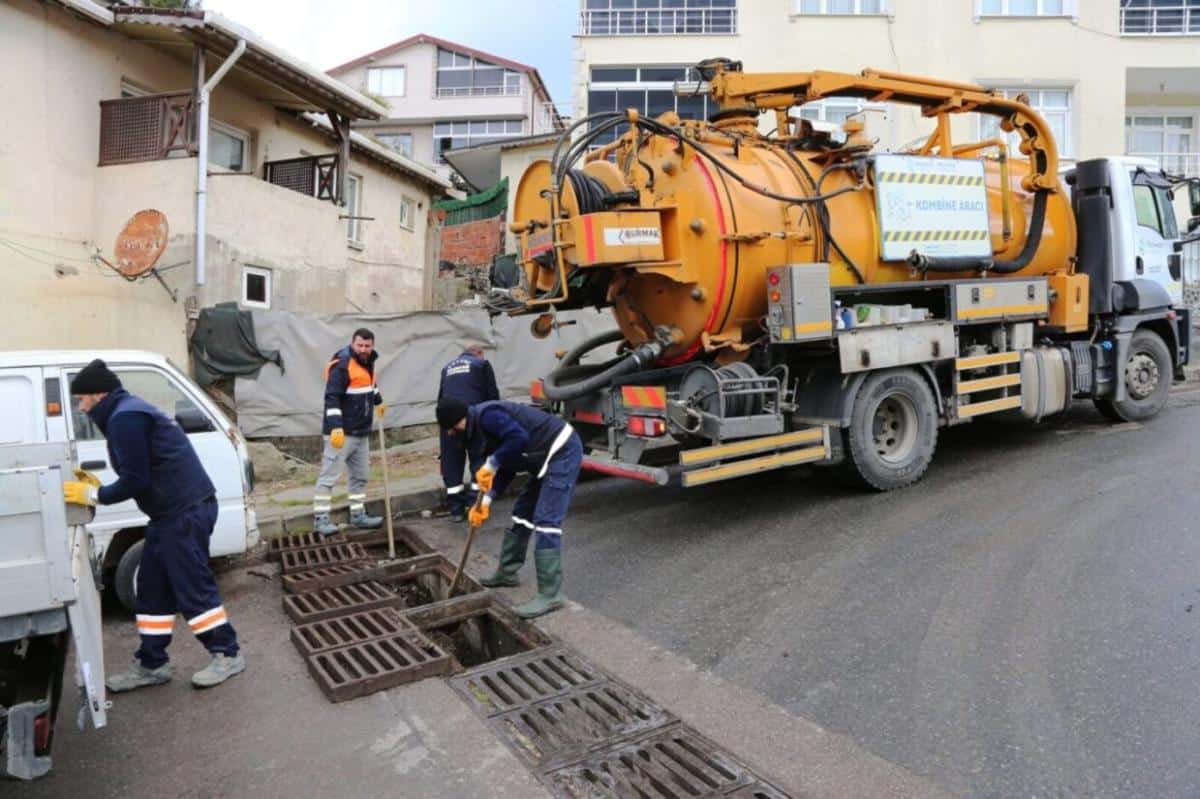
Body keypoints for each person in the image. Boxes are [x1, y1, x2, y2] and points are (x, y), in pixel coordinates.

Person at [62, 359, 244, 691]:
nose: (80, 405)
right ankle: (152, 664)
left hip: (184, 512)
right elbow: (141, 472)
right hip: (169, 514)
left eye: (82, 398)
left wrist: (95, 494)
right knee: (152, 590)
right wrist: (98, 486)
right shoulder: (124, 413)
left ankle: (227, 654)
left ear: (99, 394)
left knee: (192, 587)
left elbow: (135, 480)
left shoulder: (125, 418)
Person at [435, 396, 582, 618]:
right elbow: (507, 467)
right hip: (540, 458)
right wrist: (485, 501)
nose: (451, 434)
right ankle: (507, 572)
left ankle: (550, 594)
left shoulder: (488, 416)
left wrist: (492, 462)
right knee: (523, 513)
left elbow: (518, 438)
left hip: (562, 450)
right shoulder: (476, 432)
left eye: (452, 428)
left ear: (460, 419)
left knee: (546, 520)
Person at [313, 328, 386, 536]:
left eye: (367, 345)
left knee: (361, 476)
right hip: (341, 434)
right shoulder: (342, 366)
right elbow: (332, 398)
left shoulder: (369, 362)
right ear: (353, 344)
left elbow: (370, 385)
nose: (363, 349)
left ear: (372, 345)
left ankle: (358, 515)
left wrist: (378, 401)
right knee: (329, 477)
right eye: (360, 345)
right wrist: (335, 426)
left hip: (361, 432)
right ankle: (321, 519)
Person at [436, 345, 499, 521]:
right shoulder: (482, 364)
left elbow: (441, 399)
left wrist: (446, 425)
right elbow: (492, 396)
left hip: (449, 422)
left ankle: (456, 510)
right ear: (478, 353)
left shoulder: (446, 368)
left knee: (451, 463)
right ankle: (474, 506)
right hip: (474, 418)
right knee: (479, 461)